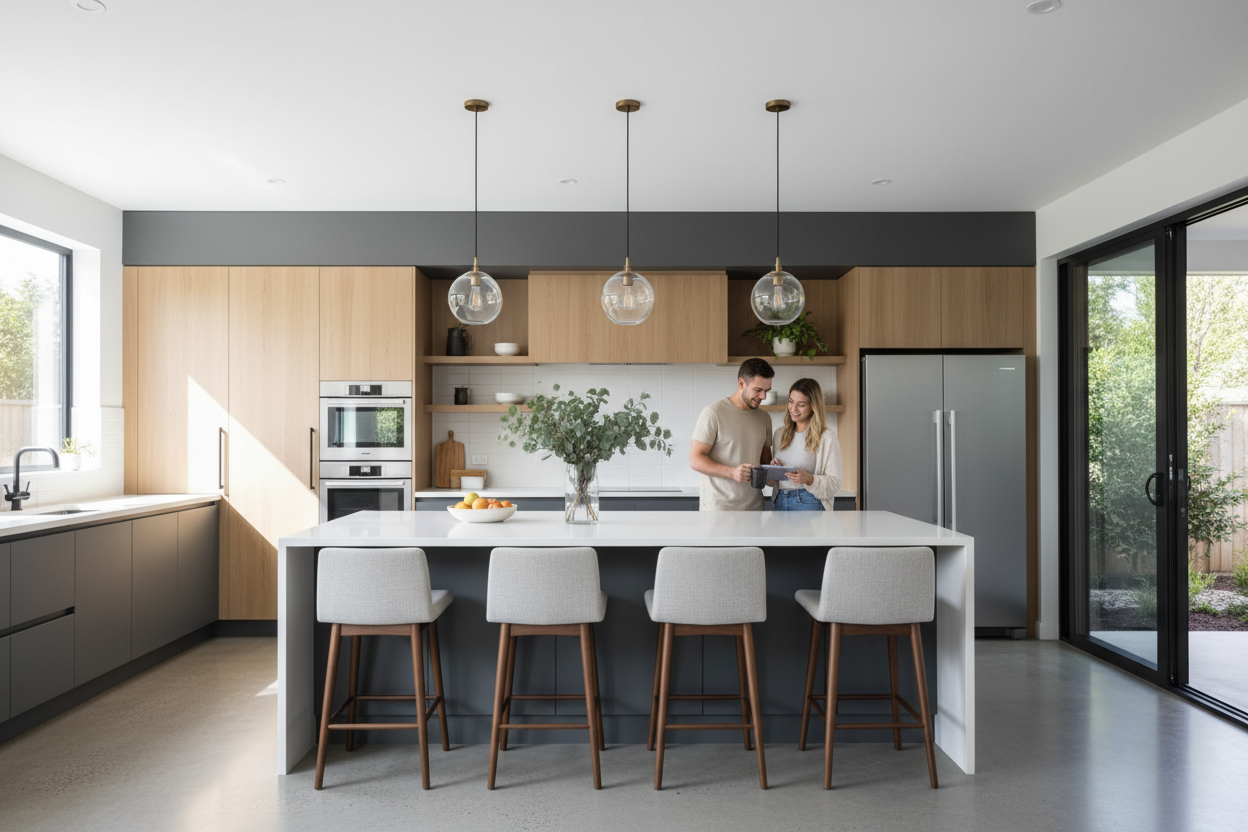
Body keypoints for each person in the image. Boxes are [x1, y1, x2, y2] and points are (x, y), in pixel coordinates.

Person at [689, 358, 775, 511]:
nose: (763, 397)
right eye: (758, 390)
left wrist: (775, 468)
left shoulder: (764, 418)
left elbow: (764, 463)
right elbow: (695, 460)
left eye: (766, 391)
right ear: (741, 384)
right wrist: (732, 472)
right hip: (719, 510)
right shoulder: (713, 413)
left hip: (754, 508)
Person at [768, 377, 842, 511]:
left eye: (801, 405)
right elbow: (773, 482)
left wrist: (809, 479)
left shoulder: (826, 437)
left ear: (814, 406)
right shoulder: (779, 434)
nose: (793, 408)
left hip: (810, 502)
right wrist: (776, 469)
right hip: (780, 501)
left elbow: (834, 484)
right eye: (791, 402)